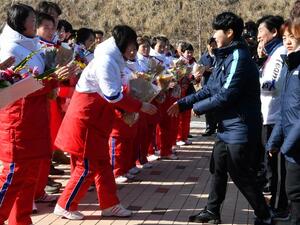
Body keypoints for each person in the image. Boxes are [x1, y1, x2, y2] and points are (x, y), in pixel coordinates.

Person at [168, 12, 272, 225]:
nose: (214, 35)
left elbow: (227, 93)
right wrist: (183, 104)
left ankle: (264, 214)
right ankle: (212, 211)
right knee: (218, 168)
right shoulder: (224, 55)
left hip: (241, 126)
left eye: (217, 30)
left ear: (230, 32)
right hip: (227, 127)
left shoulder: (239, 57)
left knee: (240, 173)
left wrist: (199, 108)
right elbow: (210, 89)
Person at [53, 25, 157, 220]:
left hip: (98, 120)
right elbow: (113, 95)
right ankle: (65, 204)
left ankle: (110, 205)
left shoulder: (115, 59)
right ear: (123, 44)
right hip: (88, 119)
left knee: (102, 164)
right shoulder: (107, 60)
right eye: (132, 46)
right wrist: (140, 106)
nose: (133, 51)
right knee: (88, 165)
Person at [0, 3, 76, 225]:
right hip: (18, 120)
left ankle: (21, 220)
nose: (36, 25)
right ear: (19, 23)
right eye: (33, 21)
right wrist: (53, 78)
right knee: (14, 175)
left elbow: (35, 80)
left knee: (28, 177)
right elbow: (19, 87)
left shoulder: (30, 44)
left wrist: (58, 74)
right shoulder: (9, 47)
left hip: (34, 117)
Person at [266, 18, 300, 225]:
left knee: (296, 192)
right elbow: (285, 108)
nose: (287, 41)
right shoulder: (290, 66)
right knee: (293, 191)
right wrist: (275, 140)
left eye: (293, 37)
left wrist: (287, 145)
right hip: (291, 144)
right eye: (285, 37)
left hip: (295, 145)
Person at [257, 15, 289, 219]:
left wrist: (251, 80)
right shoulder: (272, 53)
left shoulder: (280, 53)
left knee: (276, 168)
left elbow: (271, 86)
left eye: (261, 31)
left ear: (274, 32)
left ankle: (279, 207)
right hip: (267, 115)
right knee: (270, 167)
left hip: (274, 117)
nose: (258, 36)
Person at [199, 37, 218, 136]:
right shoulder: (203, 57)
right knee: (208, 108)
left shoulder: (220, 55)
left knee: (218, 107)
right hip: (207, 84)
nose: (213, 47)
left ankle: (218, 127)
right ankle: (209, 128)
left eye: (215, 45)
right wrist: (204, 69)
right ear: (207, 46)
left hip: (218, 85)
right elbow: (197, 70)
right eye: (211, 45)